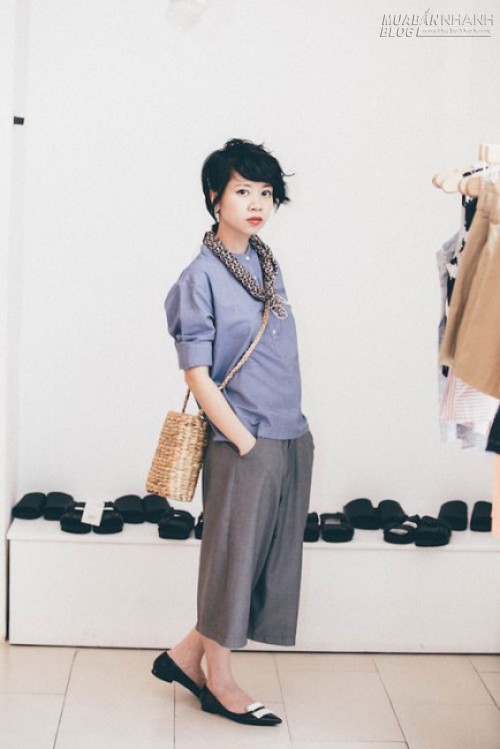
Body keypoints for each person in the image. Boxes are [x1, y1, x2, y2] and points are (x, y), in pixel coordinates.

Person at [151, 138, 314, 726]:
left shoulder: (266, 264)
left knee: (261, 562)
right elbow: (197, 373)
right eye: (243, 190)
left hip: (289, 432)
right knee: (231, 562)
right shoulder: (200, 277)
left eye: (266, 192)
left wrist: (292, 433)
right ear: (214, 197)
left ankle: (182, 657)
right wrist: (243, 441)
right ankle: (218, 682)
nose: (257, 203)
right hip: (243, 439)